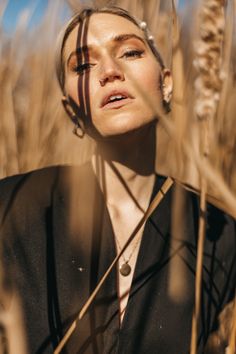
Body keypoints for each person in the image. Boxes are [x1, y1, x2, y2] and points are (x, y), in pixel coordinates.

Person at [0, 6, 235, 354]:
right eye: (83, 65)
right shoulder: (12, 206)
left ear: (166, 82)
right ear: (71, 110)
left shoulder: (217, 234)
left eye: (130, 52)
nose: (110, 71)